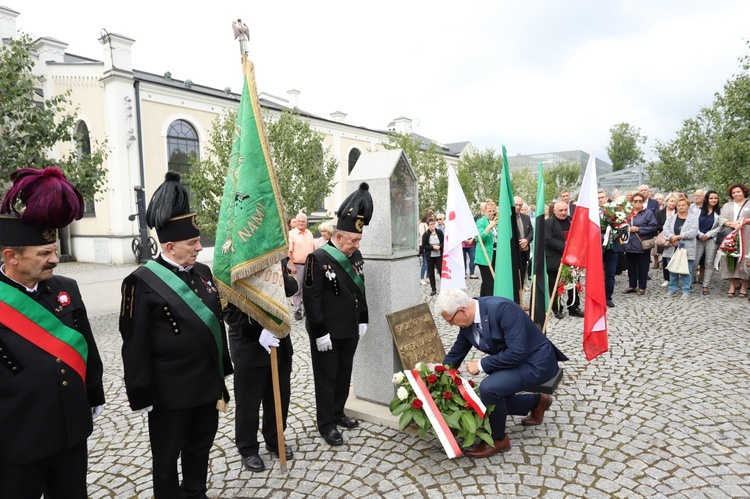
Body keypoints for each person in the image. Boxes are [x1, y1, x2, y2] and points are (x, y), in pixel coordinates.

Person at [119, 172, 232, 498]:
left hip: (206, 386)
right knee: (166, 459)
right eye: (192, 243)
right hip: (169, 393)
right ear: (169, 246)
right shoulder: (140, 282)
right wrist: (140, 392)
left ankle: (196, 492)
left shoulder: (203, 273)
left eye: (198, 242)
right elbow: (134, 343)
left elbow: (215, 322)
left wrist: (222, 371)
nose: (199, 247)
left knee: (200, 448)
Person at [0, 167, 105, 498]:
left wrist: (93, 392)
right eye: (44, 254)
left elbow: (85, 344)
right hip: (17, 440)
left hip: (70, 432)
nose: (55, 260)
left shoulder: (66, 288)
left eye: (55, 250)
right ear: (11, 256)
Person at [436, 288, 568, 457]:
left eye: (450, 321)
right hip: (514, 362)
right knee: (483, 397)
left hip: (536, 362)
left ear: (462, 310)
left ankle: (498, 440)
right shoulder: (468, 323)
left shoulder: (503, 309)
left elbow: (518, 352)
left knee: (489, 389)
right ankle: (536, 402)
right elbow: (457, 352)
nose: (451, 325)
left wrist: (482, 364)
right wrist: (440, 373)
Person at [304, 183, 372, 446]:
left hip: (350, 328)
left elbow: (361, 288)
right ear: (339, 236)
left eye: (358, 241)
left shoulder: (355, 255)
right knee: (327, 377)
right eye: (353, 240)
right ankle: (326, 423)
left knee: (344, 372)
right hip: (328, 333)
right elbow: (312, 299)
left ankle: (338, 411)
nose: (356, 245)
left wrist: (363, 317)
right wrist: (319, 331)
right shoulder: (317, 259)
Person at [223, 270, 297, 471]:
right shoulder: (235, 262)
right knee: (249, 402)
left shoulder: (273, 256)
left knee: (279, 396)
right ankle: (247, 448)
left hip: (279, 341)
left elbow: (292, 288)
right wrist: (257, 333)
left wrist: (281, 273)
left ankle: (274, 439)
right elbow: (228, 310)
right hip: (248, 345)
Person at [545, 201, 583, 319]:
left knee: (574, 283)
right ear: (554, 211)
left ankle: (574, 307)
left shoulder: (572, 220)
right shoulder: (548, 223)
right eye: (560, 210)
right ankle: (557, 308)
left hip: (572, 259)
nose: (563, 213)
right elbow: (548, 240)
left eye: (565, 210)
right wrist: (567, 247)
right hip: (555, 258)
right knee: (555, 285)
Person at [662, 198, 699, 298]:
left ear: (688, 206)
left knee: (686, 270)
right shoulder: (671, 218)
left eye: (683, 205)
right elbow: (665, 229)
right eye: (679, 205)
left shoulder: (693, 218)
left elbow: (693, 232)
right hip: (672, 247)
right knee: (673, 270)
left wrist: (679, 236)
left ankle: (686, 290)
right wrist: (671, 237)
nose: (681, 207)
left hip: (686, 248)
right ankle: (672, 289)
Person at [718, 183, 750, 298]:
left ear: (744, 192)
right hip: (731, 235)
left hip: (746, 235)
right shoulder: (727, 205)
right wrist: (731, 224)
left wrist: (743, 222)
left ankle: (743, 286)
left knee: (745, 258)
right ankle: (732, 285)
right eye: (733, 192)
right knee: (729, 257)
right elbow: (721, 218)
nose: (736, 194)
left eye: (738, 191)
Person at [622, 192, 658, 296]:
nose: (638, 202)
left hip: (642, 245)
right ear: (631, 202)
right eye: (635, 201)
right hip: (629, 244)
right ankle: (632, 285)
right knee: (631, 267)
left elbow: (653, 227)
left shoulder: (648, 213)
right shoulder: (627, 213)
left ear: (643, 202)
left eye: (640, 201)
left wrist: (639, 229)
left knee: (643, 267)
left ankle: (642, 286)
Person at [288, 213, 316, 321]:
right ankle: (297, 310)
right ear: (296, 222)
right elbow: (289, 252)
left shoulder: (309, 233)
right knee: (297, 289)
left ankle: (307, 310)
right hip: (297, 266)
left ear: (306, 222)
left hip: (310, 265)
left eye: (303, 221)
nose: (301, 223)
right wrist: (292, 265)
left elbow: (314, 248)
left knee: (308, 288)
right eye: (299, 221)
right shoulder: (292, 234)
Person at [598, 189, 622, 308]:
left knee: (610, 273)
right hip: (596, 247)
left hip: (612, 246)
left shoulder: (616, 211)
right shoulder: (592, 212)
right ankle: (597, 295)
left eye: (602, 197)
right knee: (597, 273)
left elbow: (622, 226)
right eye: (598, 198)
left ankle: (608, 297)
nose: (600, 199)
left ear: (607, 197)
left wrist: (616, 233)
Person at [695, 190, 721, 294]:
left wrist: (709, 234)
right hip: (698, 238)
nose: (713, 200)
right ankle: (690, 282)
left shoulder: (720, 212)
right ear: (707, 199)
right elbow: (692, 224)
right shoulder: (698, 211)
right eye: (711, 198)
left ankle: (705, 285)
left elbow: (720, 226)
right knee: (694, 262)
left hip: (711, 239)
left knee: (709, 263)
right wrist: (700, 234)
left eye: (716, 198)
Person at [475, 200, 498, 297]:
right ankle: (490, 302)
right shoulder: (480, 221)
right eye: (489, 211)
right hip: (485, 256)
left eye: (493, 211)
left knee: (488, 281)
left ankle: (482, 301)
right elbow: (479, 238)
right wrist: (489, 227)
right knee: (489, 281)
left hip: (495, 254)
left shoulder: (497, 221)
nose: (492, 213)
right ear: (484, 211)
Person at [514, 196, 534, 298]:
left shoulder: (526, 217)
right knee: (513, 280)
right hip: (513, 254)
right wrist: (520, 244)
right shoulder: (507, 218)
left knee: (521, 278)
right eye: (516, 205)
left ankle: (520, 301)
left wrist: (527, 240)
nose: (518, 207)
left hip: (524, 253)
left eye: (520, 205)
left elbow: (531, 231)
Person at [421, 217, 444, 296]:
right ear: (428, 225)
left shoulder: (439, 232)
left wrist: (439, 246)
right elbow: (424, 246)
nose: (433, 225)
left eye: (434, 223)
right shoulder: (426, 234)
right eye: (431, 224)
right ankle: (433, 288)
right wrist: (432, 247)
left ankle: (444, 288)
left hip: (438, 255)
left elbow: (444, 242)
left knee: (441, 271)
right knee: (431, 273)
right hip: (430, 256)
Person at [418, 211, 434, 285]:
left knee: (430, 262)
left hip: (431, 245)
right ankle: (421, 277)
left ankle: (428, 277)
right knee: (425, 262)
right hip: (425, 245)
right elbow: (422, 235)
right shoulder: (422, 225)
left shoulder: (431, 225)